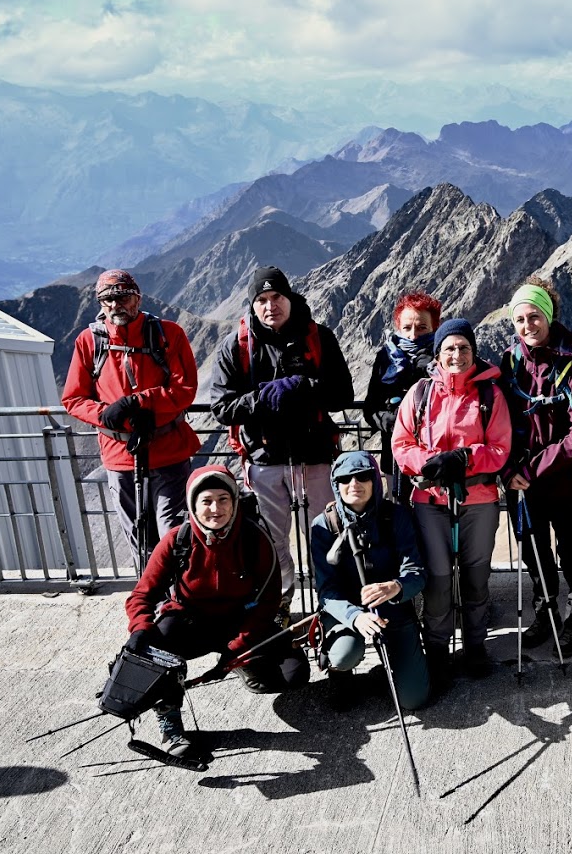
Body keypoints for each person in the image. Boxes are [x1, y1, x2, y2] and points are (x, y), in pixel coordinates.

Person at [123, 465, 310, 757]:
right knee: (159, 643)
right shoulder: (177, 539)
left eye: (224, 500)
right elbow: (142, 594)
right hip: (190, 622)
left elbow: (269, 601)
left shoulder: (254, 539)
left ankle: (244, 665)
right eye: (207, 501)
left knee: (293, 674)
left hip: (241, 622)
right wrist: (140, 628)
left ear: (235, 502)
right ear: (193, 505)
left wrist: (237, 647)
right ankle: (170, 724)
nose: (215, 509)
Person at [210, 266, 354, 606]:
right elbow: (222, 407)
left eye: (276, 297)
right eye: (261, 299)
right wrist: (261, 398)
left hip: (315, 457)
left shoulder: (319, 337)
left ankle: (333, 606)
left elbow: (342, 394)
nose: (270, 305)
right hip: (265, 462)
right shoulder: (237, 347)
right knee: (272, 542)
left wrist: (303, 387)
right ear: (252, 305)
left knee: (326, 537)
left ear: (289, 298)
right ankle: (279, 605)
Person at [392, 318, 513, 692]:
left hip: (478, 500)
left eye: (463, 348)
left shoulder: (490, 395)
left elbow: (500, 448)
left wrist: (463, 458)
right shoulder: (420, 394)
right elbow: (401, 444)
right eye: (449, 349)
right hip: (430, 500)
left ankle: (475, 645)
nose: (457, 355)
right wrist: (430, 463)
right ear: (438, 353)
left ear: (473, 351)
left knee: (476, 577)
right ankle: (439, 650)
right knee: (439, 579)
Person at [61, 269, 201, 568]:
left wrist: (137, 401)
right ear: (99, 303)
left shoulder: (168, 334)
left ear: (137, 298)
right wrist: (107, 415)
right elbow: (73, 399)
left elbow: (184, 390)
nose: (115, 305)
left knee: (174, 534)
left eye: (122, 297)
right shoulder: (89, 342)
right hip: (120, 457)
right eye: (107, 299)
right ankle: (152, 603)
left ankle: (179, 601)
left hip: (169, 452)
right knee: (139, 538)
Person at [499, 277, 572, 656]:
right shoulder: (510, 362)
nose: (528, 326)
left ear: (549, 314)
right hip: (521, 480)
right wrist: (509, 468)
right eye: (520, 320)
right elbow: (499, 421)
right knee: (533, 548)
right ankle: (546, 612)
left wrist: (529, 470)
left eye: (535, 316)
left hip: (564, 477)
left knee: (571, 548)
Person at [310, 451, 428, 712]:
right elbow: (326, 591)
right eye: (345, 479)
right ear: (335, 484)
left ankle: (391, 668)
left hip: (393, 609)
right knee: (343, 655)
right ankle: (341, 674)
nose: (354, 484)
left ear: (375, 480)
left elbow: (417, 572)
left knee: (414, 700)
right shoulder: (324, 525)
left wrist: (396, 587)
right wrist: (355, 617)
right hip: (347, 613)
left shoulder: (397, 516)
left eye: (363, 476)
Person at [363, 291, 441, 493]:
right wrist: (390, 421)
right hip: (395, 458)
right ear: (398, 327)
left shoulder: (444, 357)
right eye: (406, 327)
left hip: (434, 458)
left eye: (422, 328)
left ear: (435, 327)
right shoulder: (386, 358)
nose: (413, 335)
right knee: (401, 517)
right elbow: (371, 408)